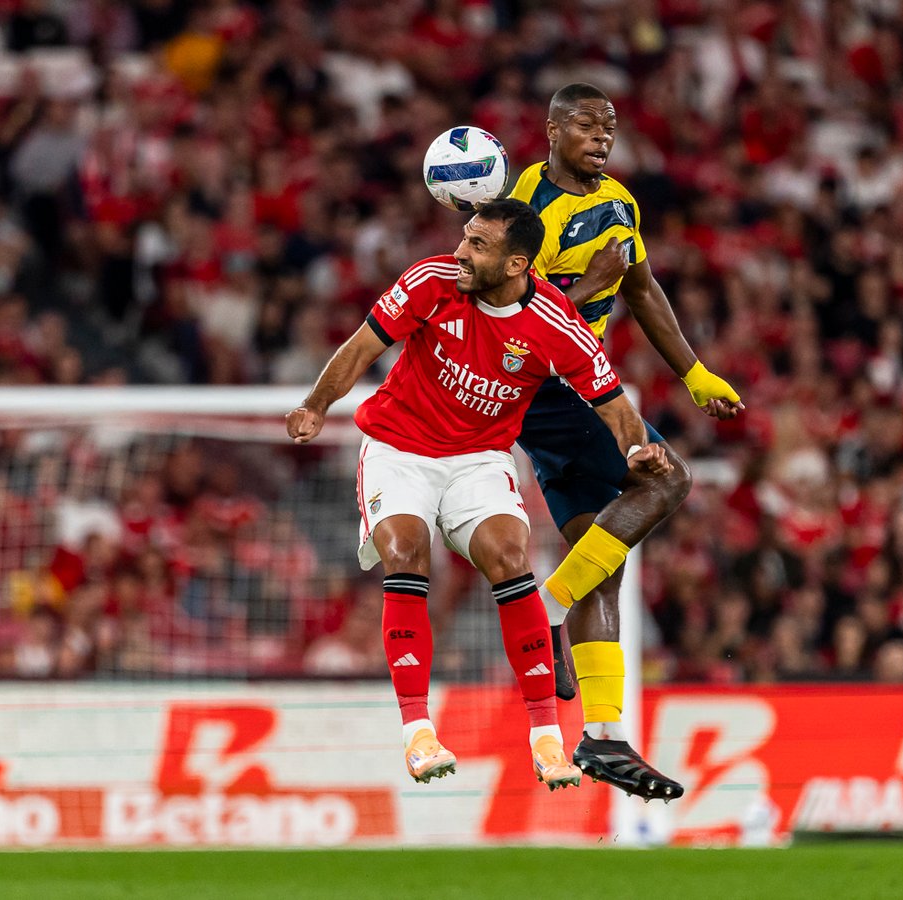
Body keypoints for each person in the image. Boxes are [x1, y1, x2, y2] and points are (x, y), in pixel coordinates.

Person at [285, 199, 671, 790]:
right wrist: (316, 404)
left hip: (479, 460)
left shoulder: (555, 323)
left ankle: (547, 738)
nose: (462, 252)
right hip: (398, 447)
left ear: (518, 263)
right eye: (465, 237)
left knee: (511, 559)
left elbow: (614, 404)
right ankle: (418, 731)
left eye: (479, 245)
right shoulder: (431, 282)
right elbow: (361, 347)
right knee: (407, 551)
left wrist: (636, 447)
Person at [506, 82, 741, 800]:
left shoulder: (621, 201)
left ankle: (603, 738)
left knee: (600, 560)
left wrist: (695, 371)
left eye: (610, 125)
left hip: (576, 388)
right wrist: (586, 288)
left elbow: (641, 289)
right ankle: (546, 614)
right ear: (550, 129)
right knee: (666, 480)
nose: (602, 136)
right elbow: (510, 328)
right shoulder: (525, 211)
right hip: (548, 388)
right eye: (585, 123)